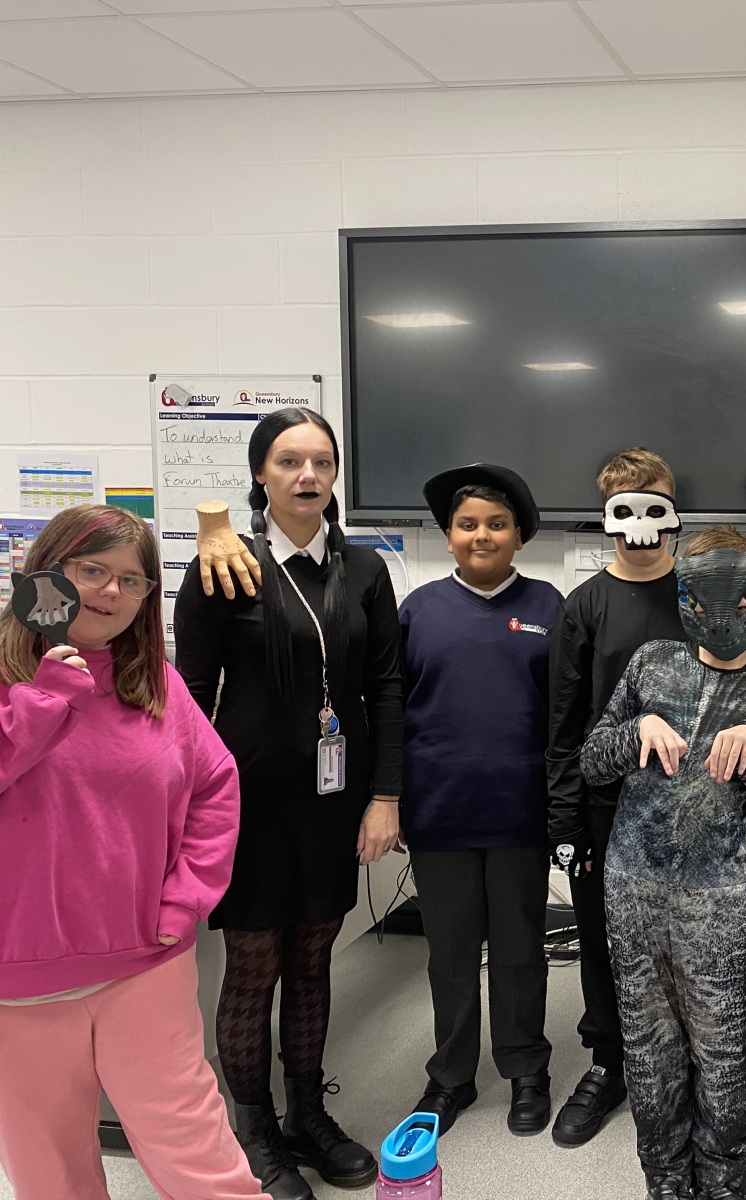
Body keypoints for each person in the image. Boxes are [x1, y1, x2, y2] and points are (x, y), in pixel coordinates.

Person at [0, 506, 268, 1200]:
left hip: (145, 963)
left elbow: (215, 785)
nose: (110, 591)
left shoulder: (153, 683)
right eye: (93, 569)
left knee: (199, 1159)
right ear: (47, 572)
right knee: (50, 1172)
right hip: (20, 981)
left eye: (132, 580)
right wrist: (43, 699)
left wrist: (185, 899)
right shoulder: (10, 679)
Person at [175, 408, 403, 1199]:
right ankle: (255, 1129)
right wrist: (186, 811)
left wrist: (385, 796)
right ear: (260, 474)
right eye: (288, 461)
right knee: (253, 967)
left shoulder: (364, 570)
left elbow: (386, 688)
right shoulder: (223, 568)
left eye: (322, 463)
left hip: (333, 802)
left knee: (313, 959)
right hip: (246, 804)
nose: (308, 476)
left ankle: (308, 1112)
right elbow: (190, 695)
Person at [582, 526, 746, 1200]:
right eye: (706, 601)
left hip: (722, 901)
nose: (722, 617)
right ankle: (667, 1179)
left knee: (723, 1051)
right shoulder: (652, 664)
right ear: (685, 599)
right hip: (634, 888)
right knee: (648, 1049)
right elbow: (592, 762)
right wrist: (635, 731)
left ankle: (727, 1177)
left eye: (739, 601)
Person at [399, 464, 563, 1137]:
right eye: (467, 525)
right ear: (448, 536)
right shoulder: (418, 611)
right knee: (450, 954)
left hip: (521, 813)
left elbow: (565, 717)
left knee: (522, 949)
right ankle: (451, 1077)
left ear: (519, 535)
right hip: (440, 813)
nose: (482, 535)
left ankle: (526, 1068)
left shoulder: (550, 607)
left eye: (497, 524)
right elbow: (392, 710)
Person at [546, 446, 688, 1147]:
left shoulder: (699, 597)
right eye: (624, 508)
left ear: (673, 513)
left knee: (685, 941)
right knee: (604, 939)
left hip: (689, 808)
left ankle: (682, 1061)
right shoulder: (584, 606)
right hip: (606, 809)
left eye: (652, 506)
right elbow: (564, 721)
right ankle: (610, 1061)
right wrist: (564, 819)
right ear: (606, 517)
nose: (640, 525)